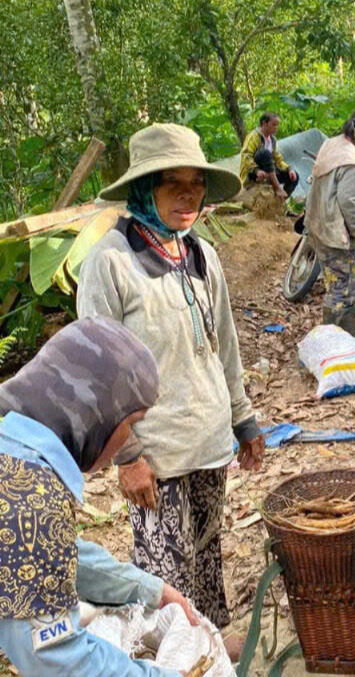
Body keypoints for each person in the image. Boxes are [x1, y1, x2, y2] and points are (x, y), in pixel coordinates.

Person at [78, 123, 264, 629]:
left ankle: (212, 654)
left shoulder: (200, 253)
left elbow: (224, 342)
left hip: (208, 443)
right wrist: (129, 458)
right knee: (166, 591)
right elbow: (99, 375)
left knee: (206, 566)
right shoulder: (112, 262)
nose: (189, 196)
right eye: (172, 184)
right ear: (144, 187)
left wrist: (243, 420)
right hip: (156, 459)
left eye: (197, 183)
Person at [0, 317, 200, 676]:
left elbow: (55, 552)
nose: (128, 438)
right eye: (130, 422)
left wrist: (148, 588)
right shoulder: (28, 496)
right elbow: (56, 661)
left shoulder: (11, 449)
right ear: (96, 412)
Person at [304, 106, 355, 335]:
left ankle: (344, 338)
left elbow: (336, 190)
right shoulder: (352, 161)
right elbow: (348, 204)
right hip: (334, 234)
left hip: (318, 225)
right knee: (343, 292)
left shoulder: (333, 144)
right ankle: (337, 342)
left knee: (335, 287)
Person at [239, 112, 298, 199]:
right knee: (265, 153)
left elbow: (278, 159)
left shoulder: (272, 140)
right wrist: (256, 170)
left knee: (294, 176)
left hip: (268, 173)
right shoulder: (254, 136)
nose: (276, 128)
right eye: (273, 125)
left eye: (277, 125)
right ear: (264, 124)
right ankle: (277, 188)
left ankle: (280, 201)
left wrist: (289, 169)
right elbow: (246, 155)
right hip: (253, 173)